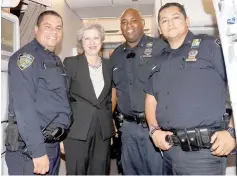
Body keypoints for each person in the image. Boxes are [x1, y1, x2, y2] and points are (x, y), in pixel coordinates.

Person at [145, 2, 236, 175]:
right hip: (168, 152)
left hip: (203, 155)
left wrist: (232, 131)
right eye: (164, 20)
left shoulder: (210, 46)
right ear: (159, 28)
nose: (170, 23)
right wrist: (154, 130)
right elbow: (151, 99)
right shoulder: (157, 61)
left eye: (176, 18)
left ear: (187, 21)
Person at [5, 10, 72, 175]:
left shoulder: (54, 59)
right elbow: (24, 107)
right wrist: (38, 151)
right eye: (48, 27)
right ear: (36, 29)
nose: (54, 32)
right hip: (31, 150)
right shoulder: (26, 58)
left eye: (58, 28)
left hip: (51, 143)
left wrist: (59, 137)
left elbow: (57, 101)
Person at [111, 8, 167, 175]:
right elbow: (113, 89)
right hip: (127, 129)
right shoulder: (116, 55)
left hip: (154, 126)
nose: (129, 25)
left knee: (158, 172)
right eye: (124, 22)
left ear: (142, 23)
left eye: (133, 20)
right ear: (120, 27)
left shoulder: (160, 47)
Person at [61, 23, 114, 175]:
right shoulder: (70, 63)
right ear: (81, 42)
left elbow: (108, 99)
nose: (92, 42)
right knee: (77, 171)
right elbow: (63, 99)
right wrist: (62, 135)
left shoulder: (109, 65)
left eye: (96, 38)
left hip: (102, 131)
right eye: (87, 39)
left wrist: (109, 129)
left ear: (102, 41)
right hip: (76, 131)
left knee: (100, 171)